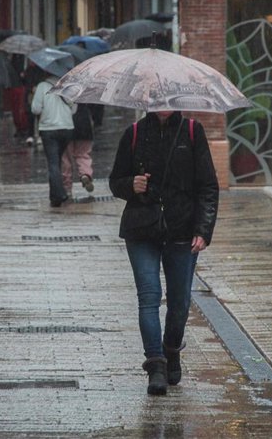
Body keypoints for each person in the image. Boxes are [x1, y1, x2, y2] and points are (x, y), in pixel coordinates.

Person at [109, 110, 219, 395]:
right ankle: (155, 364)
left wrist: (203, 230)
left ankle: (171, 349)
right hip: (142, 230)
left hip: (182, 231)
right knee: (149, 296)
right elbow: (115, 181)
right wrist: (130, 185)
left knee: (180, 302)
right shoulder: (133, 133)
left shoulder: (192, 132)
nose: (162, 104)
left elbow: (207, 186)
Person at [31, 67, 75, 207]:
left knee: (53, 163)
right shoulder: (66, 86)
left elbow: (35, 109)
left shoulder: (42, 86)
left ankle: (59, 194)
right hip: (67, 127)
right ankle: (54, 196)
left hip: (49, 129)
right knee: (57, 162)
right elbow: (74, 109)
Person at [61, 103, 95, 197]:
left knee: (66, 158)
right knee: (83, 154)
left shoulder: (61, 91)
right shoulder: (83, 92)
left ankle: (67, 186)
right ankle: (85, 174)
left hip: (65, 125)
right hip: (84, 124)